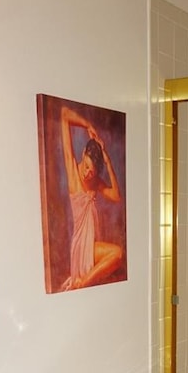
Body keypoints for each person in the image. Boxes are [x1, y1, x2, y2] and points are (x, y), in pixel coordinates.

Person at [60, 106, 123, 290]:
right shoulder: (73, 171)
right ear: (83, 155)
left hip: (92, 243)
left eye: (92, 171)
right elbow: (64, 114)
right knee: (117, 254)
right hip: (81, 245)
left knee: (117, 258)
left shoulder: (95, 182)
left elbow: (116, 196)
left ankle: (82, 282)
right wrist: (87, 124)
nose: (87, 174)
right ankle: (82, 283)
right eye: (87, 166)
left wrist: (107, 160)